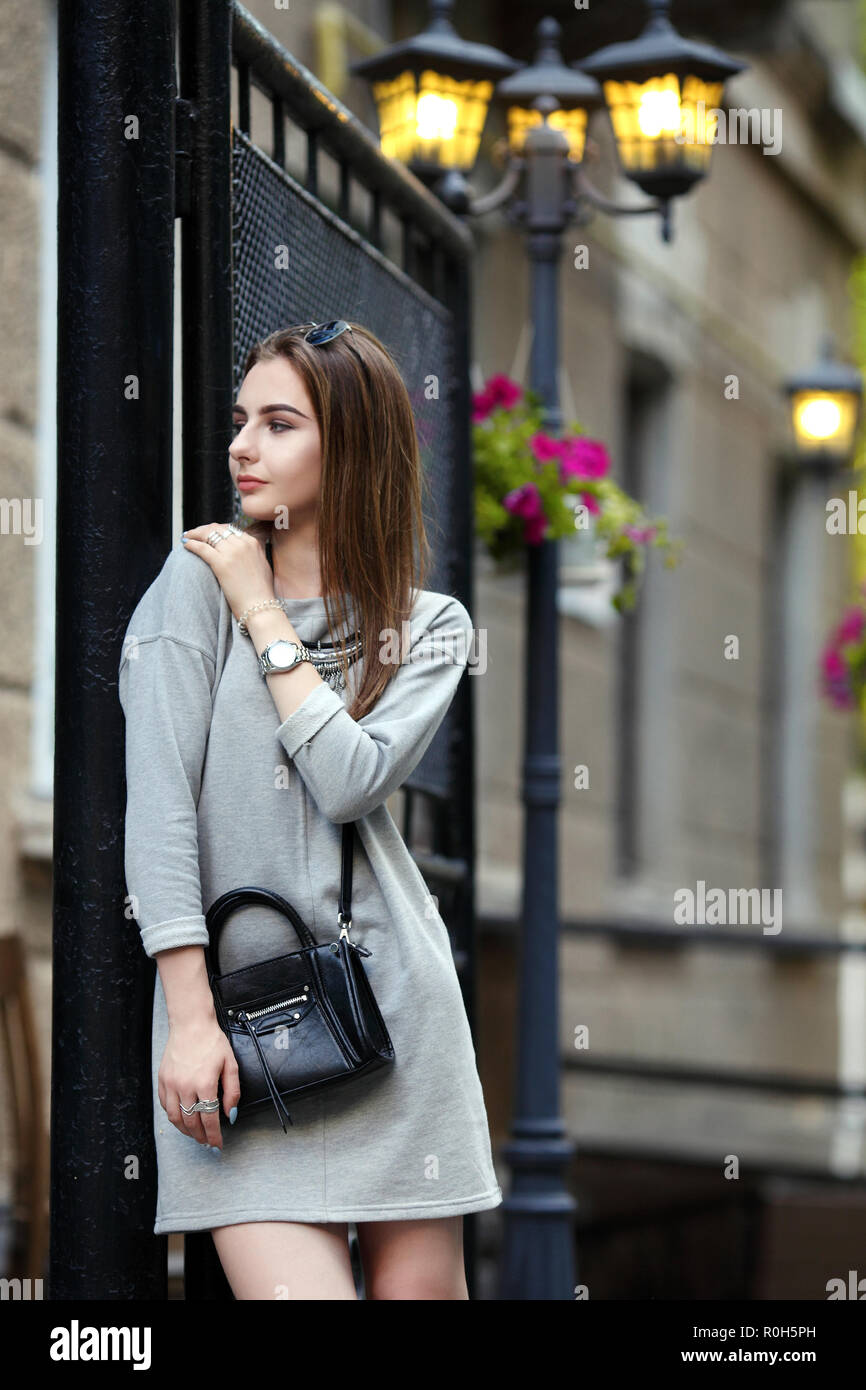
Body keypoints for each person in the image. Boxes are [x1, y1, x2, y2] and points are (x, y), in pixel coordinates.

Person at [117, 320, 502, 1300]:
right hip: (242, 1047)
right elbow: (159, 812)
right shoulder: (189, 590)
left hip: (396, 1028)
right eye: (240, 420)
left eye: (279, 423)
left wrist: (265, 613)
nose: (242, 445)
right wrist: (189, 1020)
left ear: (352, 444)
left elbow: (347, 779)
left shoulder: (425, 628)